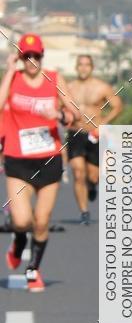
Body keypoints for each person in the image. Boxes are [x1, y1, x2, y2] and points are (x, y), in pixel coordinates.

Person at [0, 34, 74, 291]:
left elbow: (74, 112)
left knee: (41, 220)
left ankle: (33, 270)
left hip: (48, 159)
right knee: (21, 221)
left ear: (42, 56)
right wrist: (9, 72)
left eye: (36, 56)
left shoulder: (54, 79)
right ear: (20, 58)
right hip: (18, 160)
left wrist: (60, 114)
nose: (32, 61)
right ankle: (19, 243)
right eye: (26, 56)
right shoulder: (14, 79)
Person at [66, 54, 123, 224]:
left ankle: (91, 186)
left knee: (93, 176)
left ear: (92, 67)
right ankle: (84, 212)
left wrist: (103, 124)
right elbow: (59, 107)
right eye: (80, 65)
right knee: (77, 172)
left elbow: (117, 106)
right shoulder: (68, 88)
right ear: (76, 67)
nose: (83, 68)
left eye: (87, 65)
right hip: (75, 133)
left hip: (94, 134)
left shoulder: (102, 87)